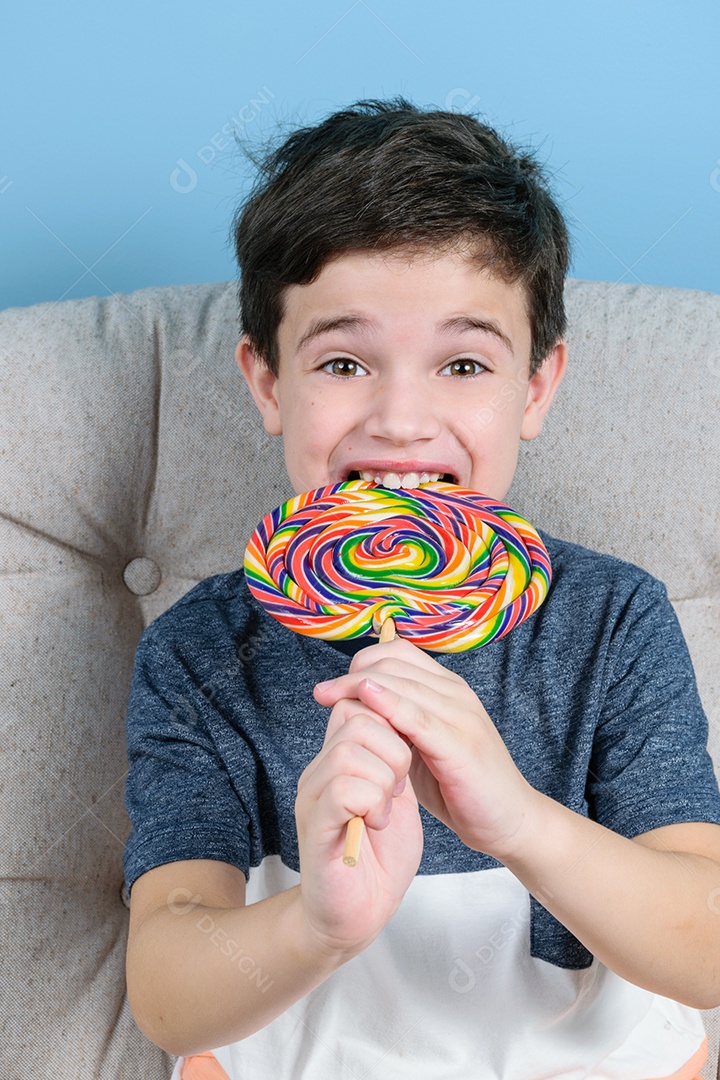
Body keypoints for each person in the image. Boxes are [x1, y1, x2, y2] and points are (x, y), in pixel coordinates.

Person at [123, 99, 720, 1079]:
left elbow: (704, 951)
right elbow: (167, 989)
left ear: (535, 388)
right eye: (346, 361)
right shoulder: (202, 652)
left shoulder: (612, 621)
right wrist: (317, 925)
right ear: (269, 382)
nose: (402, 418)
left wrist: (519, 822)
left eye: (463, 362)